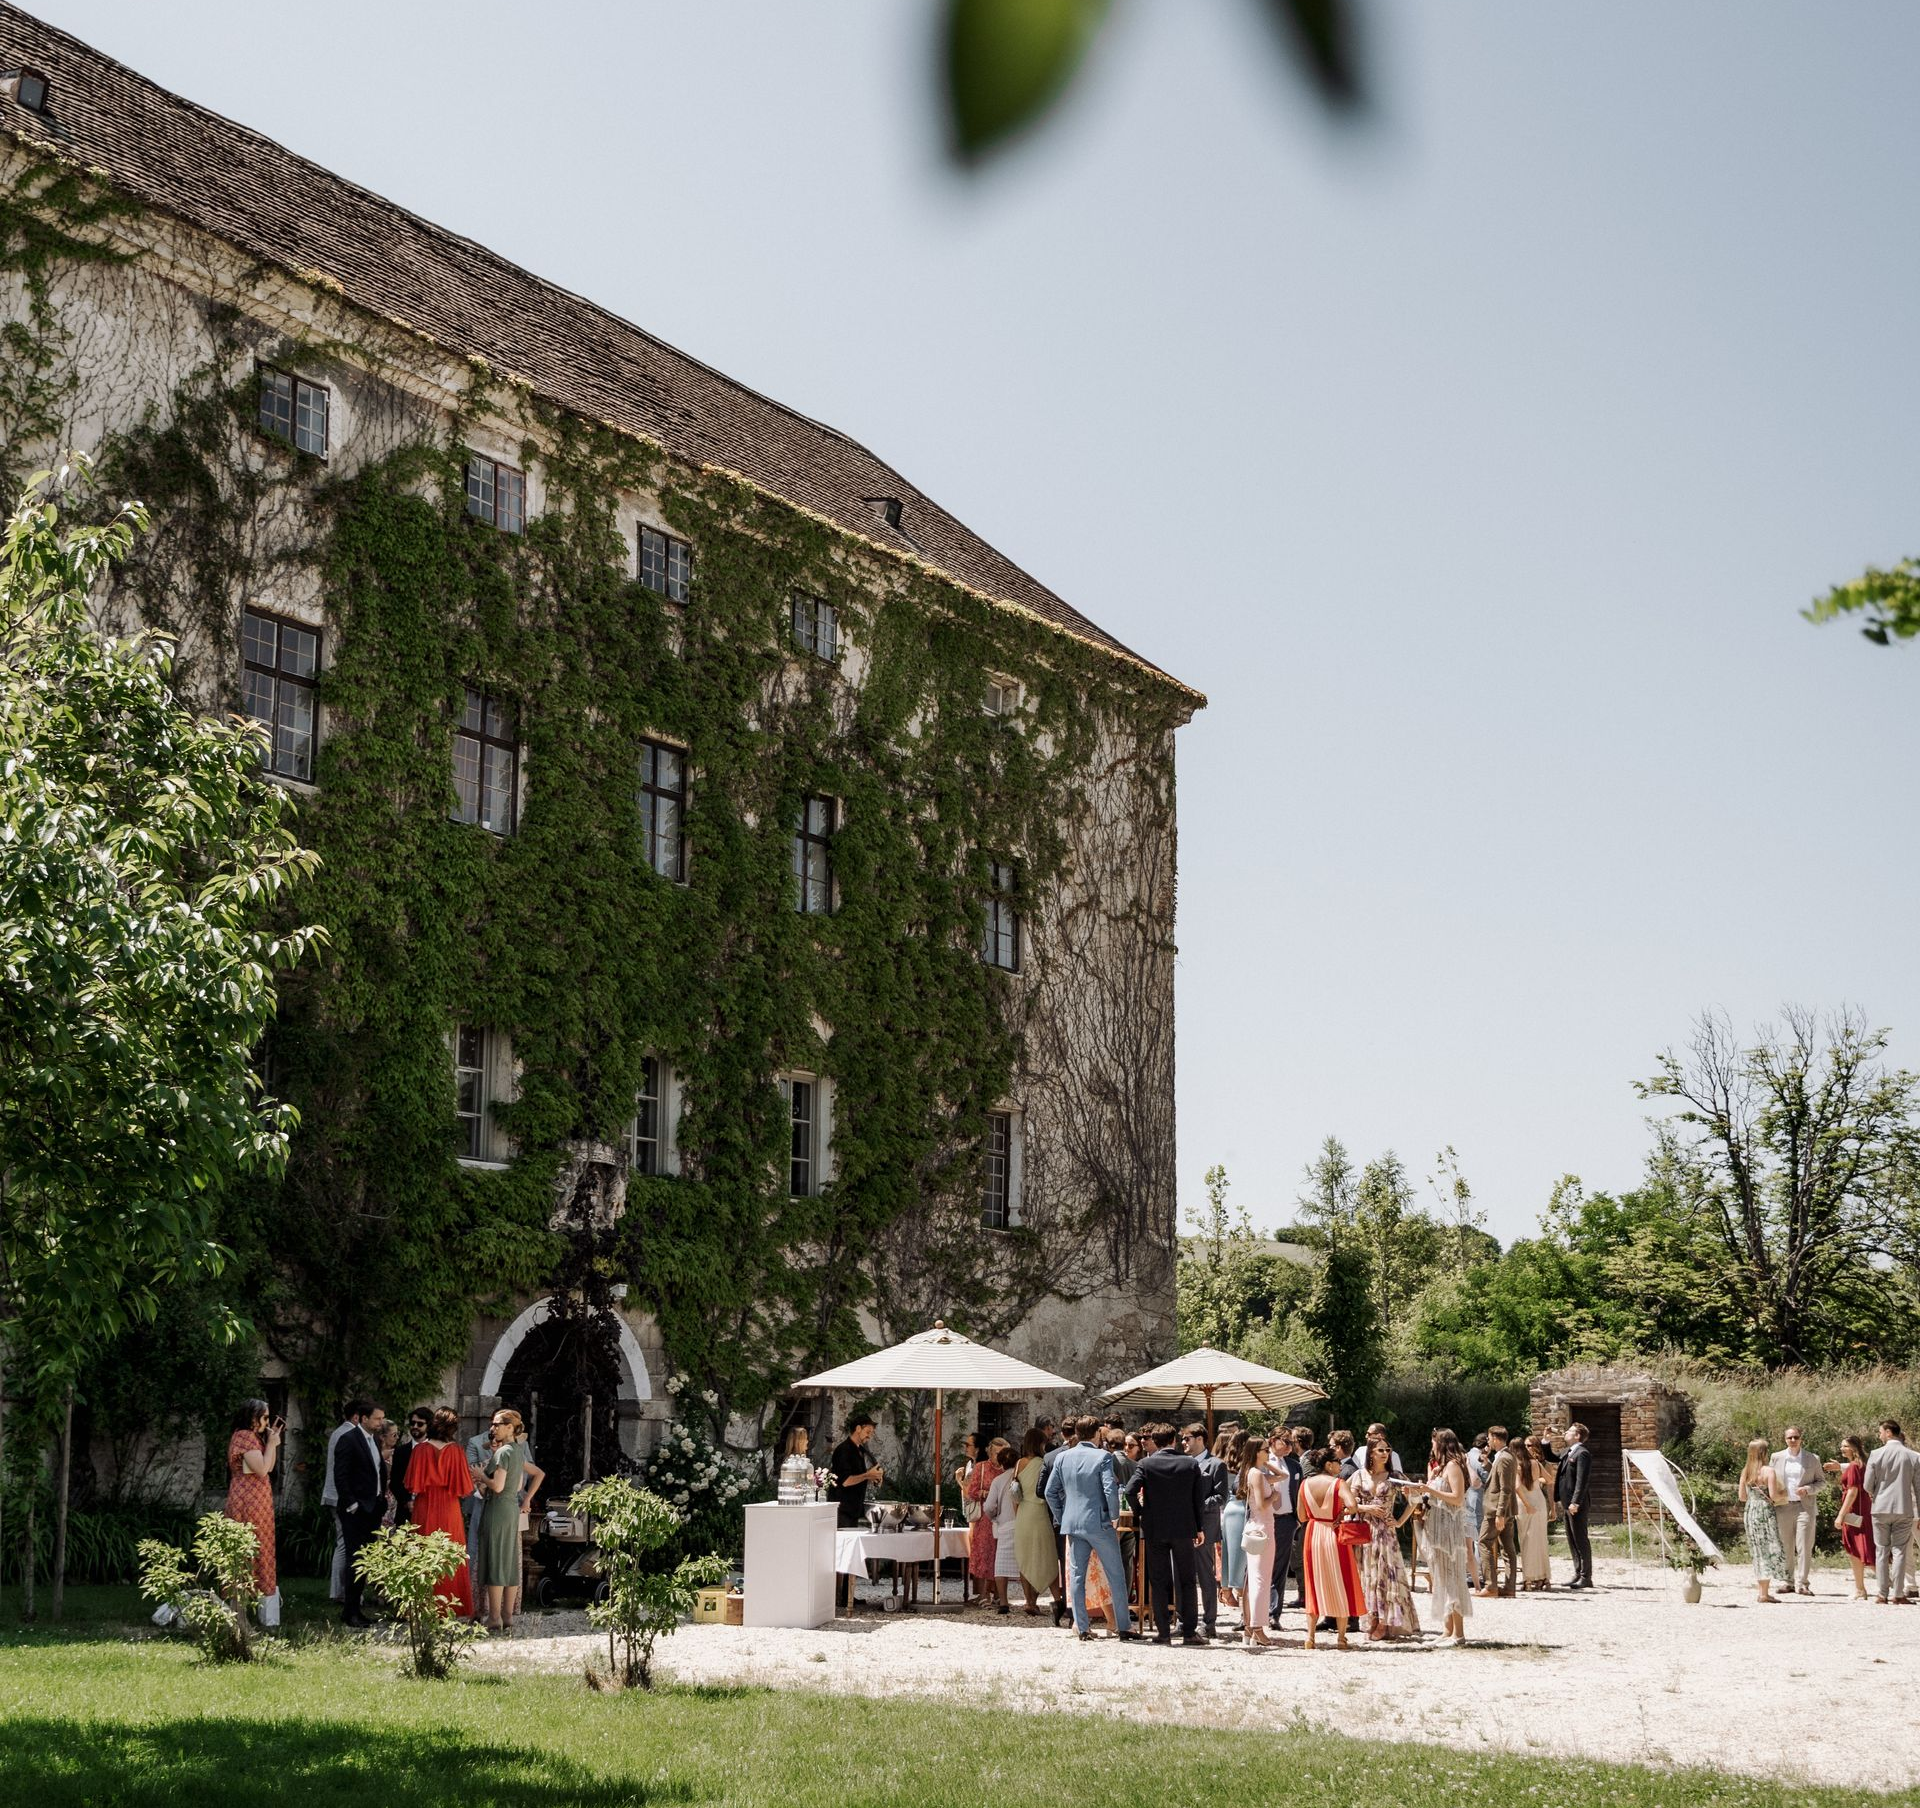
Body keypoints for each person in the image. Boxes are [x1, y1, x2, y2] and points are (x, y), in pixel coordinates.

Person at [1044, 1413, 1137, 1642]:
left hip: (1073, 1523)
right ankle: (1123, 1626)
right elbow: (1109, 1490)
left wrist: (1062, 1515)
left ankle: (1082, 1627)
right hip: (1099, 1523)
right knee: (1116, 1574)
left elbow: (1049, 1492)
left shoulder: (1063, 1458)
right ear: (1097, 1434)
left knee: (1077, 1576)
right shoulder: (1102, 1456)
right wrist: (1114, 1517)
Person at [1125, 1423, 1208, 1644]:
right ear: (1173, 1441)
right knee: (1188, 1580)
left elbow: (1129, 1491)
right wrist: (1199, 1527)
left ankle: (1163, 1632)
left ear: (1156, 1441)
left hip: (1155, 1528)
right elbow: (1197, 1500)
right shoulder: (1190, 1464)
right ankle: (1189, 1631)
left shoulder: (1146, 1463)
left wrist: (1141, 1512)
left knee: (1159, 1580)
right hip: (1183, 1528)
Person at [408, 1407, 477, 1619]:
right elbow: (465, 1489)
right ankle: (451, 1605)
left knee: (422, 1551)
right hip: (449, 1507)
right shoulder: (456, 1451)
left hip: (425, 1504)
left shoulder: (420, 1449)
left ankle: (423, 1605)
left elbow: (412, 1485)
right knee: (451, 1555)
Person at [479, 1406, 544, 1632]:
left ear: (509, 1427)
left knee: (496, 1560)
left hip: (497, 1509)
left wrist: (480, 1476)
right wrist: (525, 1501)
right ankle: (507, 1617)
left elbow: (496, 1486)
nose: (492, 1428)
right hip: (511, 1508)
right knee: (508, 1563)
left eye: (497, 1424)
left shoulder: (504, 1452)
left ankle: (494, 1617)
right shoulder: (516, 1450)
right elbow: (539, 1473)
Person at [1296, 1447, 1364, 1649]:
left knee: (1313, 1584)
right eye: (1337, 1462)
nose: (1340, 1465)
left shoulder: (1305, 1484)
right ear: (1328, 1464)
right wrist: (1341, 1513)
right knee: (1340, 1581)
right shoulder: (1338, 1483)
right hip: (1333, 1533)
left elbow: (1301, 1517)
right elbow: (1352, 1505)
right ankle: (1341, 1638)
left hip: (1313, 1532)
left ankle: (1310, 1637)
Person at [224, 1399, 282, 1629]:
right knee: (251, 1548)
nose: (267, 1422)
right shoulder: (245, 1436)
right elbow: (262, 1469)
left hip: (255, 1499)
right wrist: (272, 1445)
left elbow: (267, 1466)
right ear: (252, 1417)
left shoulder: (251, 1437)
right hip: (248, 1501)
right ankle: (240, 1609)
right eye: (265, 1417)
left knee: (261, 1547)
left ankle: (256, 1610)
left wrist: (271, 1444)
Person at [331, 1396, 388, 1628]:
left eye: (382, 1419)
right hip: (356, 1510)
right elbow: (341, 1475)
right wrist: (352, 1503)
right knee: (356, 1558)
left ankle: (353, 1610)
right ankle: (351, 1610)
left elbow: (376, 1471)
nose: (380, 1423)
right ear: (363, 1418)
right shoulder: (349, 1439)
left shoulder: (372, 1440)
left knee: (366, 1560)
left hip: (372, 1507)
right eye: (377, 1419)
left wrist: (380, 1499)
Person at [1352, 1435, 1417, 1638]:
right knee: (1367, 1575)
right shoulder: (1359, 1475)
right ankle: (1371, 1617)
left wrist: (1399, 1521)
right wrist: (1366, 1507)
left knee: (1385, 1575)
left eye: (1387, 1450)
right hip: (1365, 1530)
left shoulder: (1393, 1476)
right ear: (1370, 1452)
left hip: (1385, 1533)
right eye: (1381, 1450)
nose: (1385, 1453)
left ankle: (1384, 1621)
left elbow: (1415, 1498)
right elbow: (1348, 1502)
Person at [1420, 1429, 1474, 1646]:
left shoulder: (1453, 1466)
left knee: (1452, 1577)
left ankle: (1458, 1634)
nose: (1431, 1446)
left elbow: (1457, 1498)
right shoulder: (1439, 1469)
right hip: (1436, 1526)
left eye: (1434, 1442)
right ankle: (1447, 1629)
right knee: (1440, 1577)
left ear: (1442, 1443)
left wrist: (1431, 1491)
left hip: (1450, 1528)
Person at [320, 1399, 377, 1604]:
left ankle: (342, 1591)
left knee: (344, 1543)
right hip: (341, 1498)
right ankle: (339, 1592)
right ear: (356, 1417)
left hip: (338, 1496)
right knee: (344, 1544)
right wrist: (351, 1501)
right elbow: (343, 1472)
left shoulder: (342, 1433)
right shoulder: (346, 1434)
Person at [1863, 1418, 1920, 1605]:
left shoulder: (1876, 1454)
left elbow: (1867, 1484)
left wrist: (1874, 1493)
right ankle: (1898, 1593)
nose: (1879, 1435)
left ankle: (1881, 1593)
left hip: (1880, 1507)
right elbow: (1918, 1488)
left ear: (1888, 1432)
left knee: (1881, 1551)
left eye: (1880, 1432)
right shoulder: (1913, 1456)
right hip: (1904, 1508)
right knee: (1900, 1551)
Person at [1185, 1422, 1228, 1638]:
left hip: (1206, 1526)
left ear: (1200, 1439)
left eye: (1187, 1439)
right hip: (1183, 1526)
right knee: (1183, 1575)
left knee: (1205, 1575)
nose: (1184, 1443)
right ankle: (1185, 1621)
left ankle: (1209, 1621)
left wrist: (1196, 1504)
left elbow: (1221, 1496)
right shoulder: (1182, 1463)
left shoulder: (1216, 1464)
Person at [1769, 1427, 1824, 1597]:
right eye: (1789, 1437)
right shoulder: (1776, 1457)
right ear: (1785, 1439)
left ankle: (1802, 1583)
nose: (1793, 1440)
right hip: (1783, 1506)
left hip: (1804, 1507)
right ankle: (1788, 1582)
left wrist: (1808, 1488)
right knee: (1786, 1545)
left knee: (1805, 1546)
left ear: (1801, 1439)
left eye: (1796, 1437)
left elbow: (1821, 1482)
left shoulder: (1812, 1458)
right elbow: (1769, 1479)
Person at [1236, 1441, 1278, 1648]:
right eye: (1265, 1450)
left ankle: (1250, 1627)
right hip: (1262, 1527)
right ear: (1256, 1452)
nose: (1269, 1452)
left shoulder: (1253, 1472)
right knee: (1260, 1580)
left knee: (1254, 1579)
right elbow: (1262, 1505)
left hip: (1256, 1527)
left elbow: (1283, 1476)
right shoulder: (1257, 1474)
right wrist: (1275, 1496)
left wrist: (1267, 1462)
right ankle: (1257, 1628)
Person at [1013, 1426, 1059, 1613]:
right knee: (1048, 1556)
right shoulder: (1045, 1463)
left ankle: (1029, 1601)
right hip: (1040, 1512)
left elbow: (1014, 1491)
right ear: (1041, 1444)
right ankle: (1058, 1599)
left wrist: (1017, 1514)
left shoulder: (1019, 1463)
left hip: (1024, 1513)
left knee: (1025, 1558)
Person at [1738, 1435, 1788, 1603]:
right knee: (1768, 1549)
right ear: (1764, 1452)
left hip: (1750, 1511)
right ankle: (1764, 1593)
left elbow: (1742, 1497)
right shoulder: (1769, 1471)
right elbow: (1773, 1496)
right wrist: (1784, 1493)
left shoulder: (1746, 1471)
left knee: (1757, 1551)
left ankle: (1762, 1591)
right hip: (1765, 1512)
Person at [1475, 1426, 1519, 1599]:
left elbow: (1506, 1488)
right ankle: (1509, 1587)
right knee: (1507, 1547)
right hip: (1503, 1509)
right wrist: (1487, 1465)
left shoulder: (1505, 1458)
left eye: (1489, 1438)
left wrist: (1500, 1513)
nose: (1488, 1441)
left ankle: (1491, 1585)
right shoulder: (1502, 1457)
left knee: (1484, 1542)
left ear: (1496, 1438)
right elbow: (1498, 1479)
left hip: (1497, 1510)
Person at [1831, 1434, 1875, 1601]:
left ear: (1854, 1448)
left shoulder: (1853, 1467)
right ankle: (1860, 1588)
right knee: (1859, 1549)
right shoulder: (1864, 1465)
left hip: (1854, 1511)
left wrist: (1841, 1515)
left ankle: (1884, 1584)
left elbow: (1852, 1491)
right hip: (1864, 1510)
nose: (1842, 1448)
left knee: (1858, 1550)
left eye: (1845, 1446)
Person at [1555, 1421, 1594, 1589]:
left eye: (1569, 1431)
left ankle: (1586, 1576)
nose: (1565, 1432)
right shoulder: (1568, 1452)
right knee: (1571, 1539)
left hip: (1575, 1504)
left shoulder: (1582, 1453)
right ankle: (1577, 1572)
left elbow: (1582, 1481)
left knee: (1580, 1539)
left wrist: (1575, 1502)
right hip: (1567, 1503)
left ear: (1577, 1436)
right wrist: (1545, 1441)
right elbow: (1551, 1457)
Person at [827, 1413, 884, 1528]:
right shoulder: (844, 1450)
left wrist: (874, 1477)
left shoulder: (860, 1450)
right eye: (868, 1432)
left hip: (853, 1510)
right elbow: (845, 1481)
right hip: (842, 1511)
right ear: (858, 1428)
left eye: (871, 1433)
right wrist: (868, 1475)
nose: (869, 1436)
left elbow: (857, 1476)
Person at [966, 1435, 1005, 1597]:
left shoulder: (1007, 1470)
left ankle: (997, 1594)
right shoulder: (981, 1467)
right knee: (983, 1555)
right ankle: (983, 1595)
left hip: (1002, 1518)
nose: (1000, 1457)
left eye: (1003, 1453)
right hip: (984, 1519)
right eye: (997, 1453)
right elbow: (971, 1492)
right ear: (990, 1453)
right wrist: (987, 1493)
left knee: (1000, 1555)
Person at [463, 1417, 496, 1596]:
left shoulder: (516, 1446)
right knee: (475, 1543)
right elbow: (471, 1470)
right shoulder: (476, 1442)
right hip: (480, 1499)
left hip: (504, 1501)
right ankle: (472, 1592)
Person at [1217, 1429, 1247, 1614]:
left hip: (1225, 1511)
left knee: (1227, 1554)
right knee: (1241, 1557)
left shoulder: (1224, 1464)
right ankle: (1239, 1594)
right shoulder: (1248, 1468)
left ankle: (1226, 1590)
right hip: (1240, 1509)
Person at [1515, 1438, 1551, 1591]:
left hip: (1525, 1503)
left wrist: (1527, 1505)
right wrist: (1538, 1481)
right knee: (1541, 1541)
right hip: (1539, 1500)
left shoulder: (1518, 1466)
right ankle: (1544, 1578)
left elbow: (1517, 1486)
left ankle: (1528, 1579)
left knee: (1526, 1541)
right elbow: (1550, 1479)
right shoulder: (1536, 1463)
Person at [390, 1407, 431, 1528]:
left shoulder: (436, 1451)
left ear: (429, 1425)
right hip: (405, 1514)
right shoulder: (401, 1451)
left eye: (420, 1424)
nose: (415, 1426)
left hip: (430, 1510)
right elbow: (395, 1482)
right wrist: (407, 1501)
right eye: (412, 1423)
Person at [1464, 1431, 1490, 1591]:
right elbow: (1487, 1478)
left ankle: (1469, 1573)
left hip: (1466, 1498)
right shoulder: (1480, 1458)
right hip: (1478, 1498)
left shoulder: (1467, 1455)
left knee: (1469, 1537)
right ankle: (1478, 1574)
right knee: (1479, 1536)